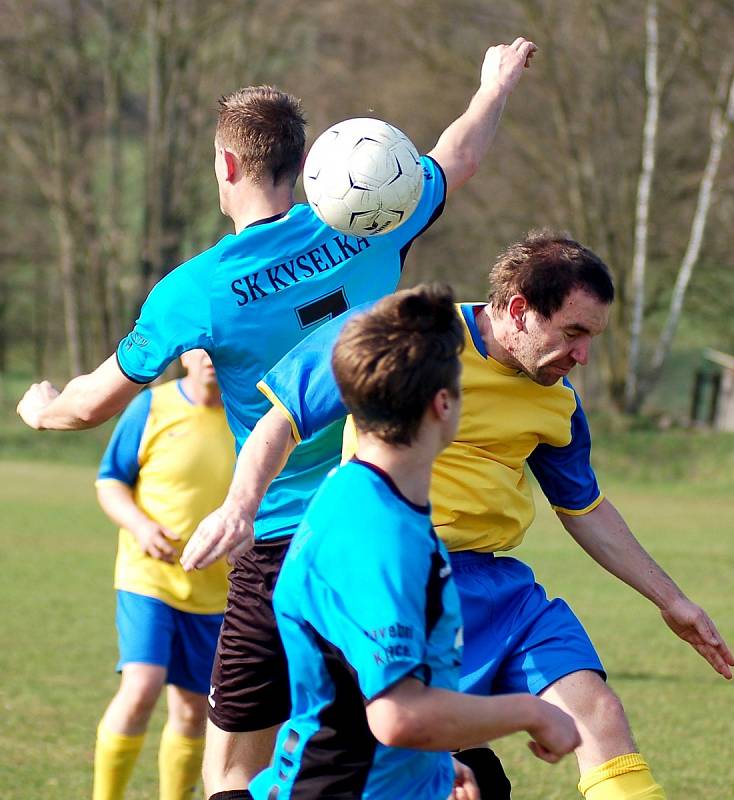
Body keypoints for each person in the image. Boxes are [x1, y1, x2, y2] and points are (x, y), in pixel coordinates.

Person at [17, 36, 538, 800]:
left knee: (233, 770)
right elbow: (456, 157)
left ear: (226, 166)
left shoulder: (191, 292)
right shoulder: (368, 221)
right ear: (303, 165)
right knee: (407, 726)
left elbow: (89, 405)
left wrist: (39, 409)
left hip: (275, 538)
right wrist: (493, 87)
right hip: (381, 521)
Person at [187, 231, 734, 800]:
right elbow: (286, 415)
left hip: (498, 590)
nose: (582, 356)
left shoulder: (558, 400)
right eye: (572, 333)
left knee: (596, 712)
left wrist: (670, 599)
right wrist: (240, 507)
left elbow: (585, 506)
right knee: (369, 763)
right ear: (519, 310)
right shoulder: (411, 342)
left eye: (592, 338)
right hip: (400, 579)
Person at [248, 284, 580, 800]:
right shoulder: (374, 535)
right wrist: (531, 712)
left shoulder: (382, 503)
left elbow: (377, 679)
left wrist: (434, 769)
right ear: (444, 405)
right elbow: (398, 716)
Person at [93, 349, 235, 800]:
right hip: (147, 577)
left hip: (216, 591)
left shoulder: (249, 419)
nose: (212, 356)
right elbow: (110, 479)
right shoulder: (151, 406)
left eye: (221, 347)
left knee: (194, 713)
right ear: (185, 355)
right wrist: (140, 525)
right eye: (202, 347)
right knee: (142, 686)